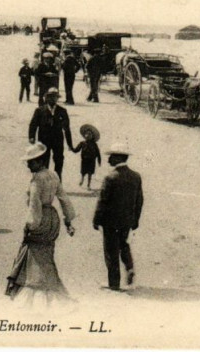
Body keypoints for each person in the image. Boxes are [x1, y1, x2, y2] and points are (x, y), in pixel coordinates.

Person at [6, 142, 76, 304]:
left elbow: (35, 204)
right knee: (46, 254)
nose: (29, 165)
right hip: (52, 218)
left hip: (41, 219)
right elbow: (64, 198)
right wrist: (68, 220)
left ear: (39, 161)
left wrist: (30, 225)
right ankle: (50, 288)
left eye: (31, 162)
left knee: (34, 254)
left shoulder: (37, 179)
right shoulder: (53, 175)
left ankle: (37, 296)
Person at [93, 142, 143, 291]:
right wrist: (135, 220)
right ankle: (129, 268)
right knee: (124, 245)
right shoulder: (136, 176)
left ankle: (114, 284)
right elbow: (139, 200)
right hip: (127, 220)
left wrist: (96, 220)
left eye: (111, 157)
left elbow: (102, 201)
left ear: (117, 158)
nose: (108, 160)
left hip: (110, 221)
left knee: (110, 251)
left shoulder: (110, 178)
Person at [28, 88, 73, 181]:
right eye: (50, 97)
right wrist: (31, 137)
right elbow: (33, 124)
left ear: (57, 99)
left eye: (55, 97)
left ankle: (57, 183)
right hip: (44, 141)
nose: (53, 99)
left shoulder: (62, 111)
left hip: (58, 141)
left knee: (59, 161)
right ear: (46, 98)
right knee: (44, 161)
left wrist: (69, 144)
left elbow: (67, 128)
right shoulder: (39, 111)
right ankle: (44, 182)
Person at [72, 124, 101, 189]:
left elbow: (98, 153)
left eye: (90, 134)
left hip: (92, 161)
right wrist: (71, 148)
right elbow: (76, 150)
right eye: (86, 134)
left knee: (90, 173)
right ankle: (82, 179)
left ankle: (88, 184)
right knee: (83, 172)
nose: (88, 135)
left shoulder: (94, 144)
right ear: (84, 135)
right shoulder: (82, 143)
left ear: (92, 136)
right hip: (84, 160)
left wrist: (99, 160)